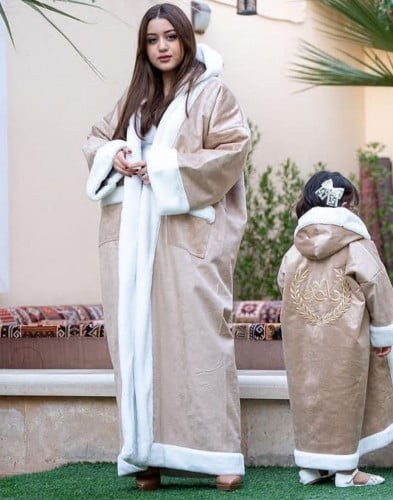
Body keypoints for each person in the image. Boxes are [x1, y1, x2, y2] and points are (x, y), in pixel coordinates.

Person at [82, 3, 249, 492]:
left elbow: (231, 151)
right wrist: (117, 155)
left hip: (185, 239)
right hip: (134, 243)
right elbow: (95, 140)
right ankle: (146, 454)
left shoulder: (213, 94)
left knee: (200, 340)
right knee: (138, 342)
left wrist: (158, 166)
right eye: (153, 39)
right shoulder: (134, 99)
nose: (162, 47)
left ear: (186, 40)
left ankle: (220, 455)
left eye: (170, 37)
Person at [277, 171, 393, 488]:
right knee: (345, 395)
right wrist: (385, 332)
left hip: (303, 339)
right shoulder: (355, 245)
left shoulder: (295, 249)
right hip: (347, 338)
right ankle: (347, 471)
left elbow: (283, 283)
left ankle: (312, 467)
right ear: (346, 205)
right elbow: (376, 284)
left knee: (310, 395)